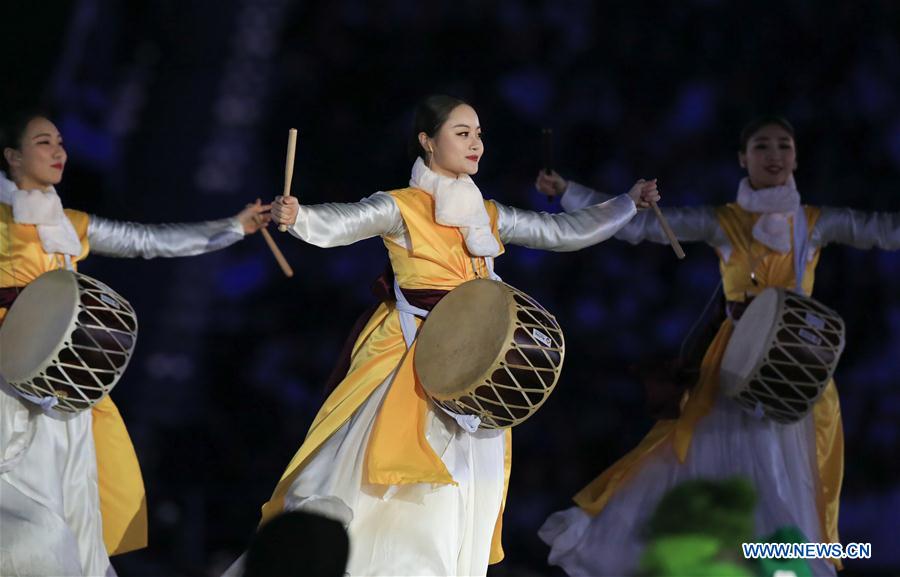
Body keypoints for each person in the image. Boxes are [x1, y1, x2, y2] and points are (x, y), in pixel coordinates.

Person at [225, 94, 660, 577]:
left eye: (478, 134)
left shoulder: (488, 215)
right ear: (427, 142)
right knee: (377, 490)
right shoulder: (402, 207)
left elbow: (562, 231)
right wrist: (298, 217)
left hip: (476, 370)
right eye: (462, 133)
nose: (475, 143)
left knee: (456, 497)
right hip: (409, 358)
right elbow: (345, 222)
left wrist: (626, 205)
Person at [535, 116, 900, 576]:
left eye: (783, 146)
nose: (774, 156)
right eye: (762, 147)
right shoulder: (725, 221)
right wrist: (568, 190)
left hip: (795, 373)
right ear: (743, 159)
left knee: (789, 479)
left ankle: (778, 564)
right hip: (731, 366)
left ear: (796, 157)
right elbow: (639, 228)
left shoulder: (814, 224)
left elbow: (882, 231)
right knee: (704, 461)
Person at [0, 111, 271, 576]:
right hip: (9, 374)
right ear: (12, 156)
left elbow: (147, 241)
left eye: (61, 141)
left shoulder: (69, 224)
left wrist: (232, 227)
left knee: (71, 499)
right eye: (44, 143)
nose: (59, 151)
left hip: (64, 384)